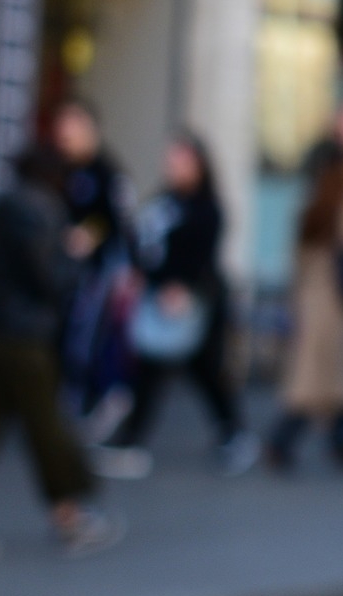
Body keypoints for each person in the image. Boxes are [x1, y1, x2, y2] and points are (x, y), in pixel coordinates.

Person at [0, 148, 120, 565]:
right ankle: (70, 514)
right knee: (46, 429)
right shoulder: (43, 211)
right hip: (26, 340)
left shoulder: (0, 204)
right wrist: (75, 254)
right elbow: (49, 277)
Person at [93, 133, 256, 478]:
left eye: (181, 161)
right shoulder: (163, 202)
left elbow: (202, 254)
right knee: (171, 370)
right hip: (159, 298)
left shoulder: (206, 207)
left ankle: (230, 433)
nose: (173, 168)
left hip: (194, 302)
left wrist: (181, 287)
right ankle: (137, 439)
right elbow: (142, 241)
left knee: (201, 371)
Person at [266, 108, 343, 471]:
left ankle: (339, 443)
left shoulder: (315, 198)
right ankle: (287, 441)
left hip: (313, 291)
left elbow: (298, 252)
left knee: (323, 372)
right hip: (336, 295)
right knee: (328, 373)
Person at [49, 99, 135, 427]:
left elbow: (120, 222)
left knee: (85, 335)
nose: (65, 138)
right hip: (60, 271)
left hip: (96, 272)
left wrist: (90, 234)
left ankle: (87, 398)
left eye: (72, 130)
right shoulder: (60, 170)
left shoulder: (107, 173)